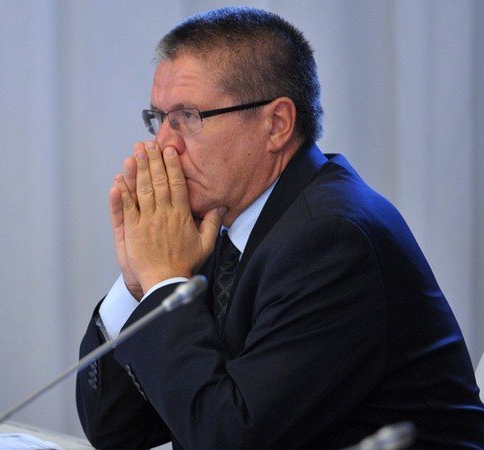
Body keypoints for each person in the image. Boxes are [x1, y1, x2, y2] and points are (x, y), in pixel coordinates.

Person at [76, 6, 484, 449]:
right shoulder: (220, 219)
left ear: (277, 124)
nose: (164, 145)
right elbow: (116, 430)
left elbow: (228, 440)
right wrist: (138, 284)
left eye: (188, 117)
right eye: (159, 119)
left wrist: (163, 281)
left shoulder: (332, 240)